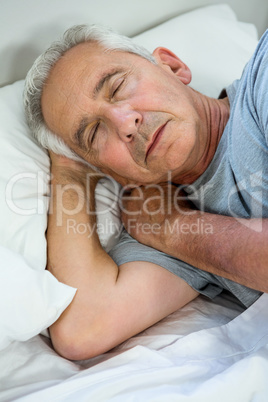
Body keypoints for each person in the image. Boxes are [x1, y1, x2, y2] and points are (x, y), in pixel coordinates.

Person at [24, 24, 266, 360]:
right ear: (109, 173)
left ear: (172, 66)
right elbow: (83, 329)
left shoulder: (262, 82)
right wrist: (69, 170)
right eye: (95, 134)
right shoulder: (159, 217)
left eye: (118, 86)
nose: (124, 123)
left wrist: (174, 228)